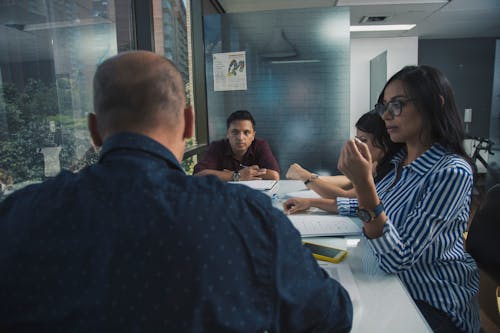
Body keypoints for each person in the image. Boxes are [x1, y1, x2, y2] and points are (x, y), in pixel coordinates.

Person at [0, 51, 352, 332]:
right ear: (187, 122)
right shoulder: (247, 217)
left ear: (94, 131)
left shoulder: (19, 215)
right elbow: (330, 315)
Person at [335, 65, 479, 332]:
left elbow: (397, 260)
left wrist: (364, 183)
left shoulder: (451, 171)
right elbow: (371, 210)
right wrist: (315, 204)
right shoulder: (398, 162)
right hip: (389, 284)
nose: (387, 115)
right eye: (384, 107)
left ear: (434, 104)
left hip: (432, 301)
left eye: (398, 105)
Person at [284, 111, 403, 214]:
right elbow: (349, 181)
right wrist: (312, 179)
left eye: (364, 140)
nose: (358, 146)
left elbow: (347, 196)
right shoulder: (379, 163)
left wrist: (305, 176)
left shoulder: (393, 171)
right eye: (357, 140)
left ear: (385, 143)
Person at [193, 110, 280, 181]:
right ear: (228, 134)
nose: (240, 138)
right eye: (235, 132)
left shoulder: (260, 145)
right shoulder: (217, 146)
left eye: (246, 132)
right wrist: (237, 176)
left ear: (253, 135)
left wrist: (225, 175)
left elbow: (274, 175)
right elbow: (198, 174)